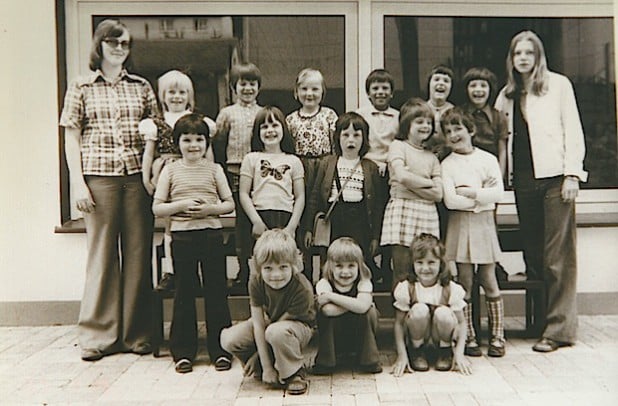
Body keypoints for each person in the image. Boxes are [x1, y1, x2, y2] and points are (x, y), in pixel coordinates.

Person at [59, 19, 158, 361]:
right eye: (113, 43)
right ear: (99, 46)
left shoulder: (142, 86)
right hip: (98, 179)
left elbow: (154, 136)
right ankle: (98, 336)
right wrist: (78, 184)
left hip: (135, 179)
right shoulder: (81, 86)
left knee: (136, 254)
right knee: (101, 255)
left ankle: (137, 334)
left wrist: (153, 180)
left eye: (125, 44)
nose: (119, 49)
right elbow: (71, 137)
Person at [494, 30, 587, 353]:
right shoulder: (505, 95)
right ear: (511, 58)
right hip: (523, 182)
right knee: (533, 255)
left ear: (538, 56)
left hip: (554, 179)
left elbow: (572, 130)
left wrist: (572, 174)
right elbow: (500, 142)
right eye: (517, 52)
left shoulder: (558, 86)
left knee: (556, 257)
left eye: (528, 53)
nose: (522, 58)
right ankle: (540, 321)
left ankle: (559, 329)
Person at [152, 113, 235, 374]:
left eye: (199, 139)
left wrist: (209, 210)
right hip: (182, 238)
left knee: (215, 291)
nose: (193, 145)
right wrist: (182, 206)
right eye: (187, 140)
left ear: (206, 142)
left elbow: (229, 204)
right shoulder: (171, 170)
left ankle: (220, 349)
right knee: (184, 293)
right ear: (178, 142)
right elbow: (157, 208)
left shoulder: (215, 169)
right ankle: (184, 352)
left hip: (210, 236)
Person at [139, 70, 217, 292]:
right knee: (172, 224)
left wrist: (210, 174)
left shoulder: (200, 121)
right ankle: (173, 271)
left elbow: (207, 151)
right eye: (171, 92)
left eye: (182, 92)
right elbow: (148, 152)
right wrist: (146, 176)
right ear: (163, 95)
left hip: (194, 172)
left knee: (194, 218)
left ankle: (196, 271)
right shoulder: (156, 123)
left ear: (189, 95)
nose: (176, 97)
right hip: (167, 171)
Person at [440, 107, 506, 358]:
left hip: (484, 225)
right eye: (448, 131)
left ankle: (497, 337)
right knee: (465, 282)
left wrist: (473, 193)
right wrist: (482, 198)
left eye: (458, 128)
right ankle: (468, 336)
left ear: (471, 130)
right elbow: (451, 202)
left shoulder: (487, 159)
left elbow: (498, 194)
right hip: (460, 224)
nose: (454, 134)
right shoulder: (447, 164)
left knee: (489, 280)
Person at [220, 229, 315, 395]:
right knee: (228, 338)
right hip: (270, 324)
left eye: (283, 267)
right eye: (268, 268)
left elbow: (276, 327)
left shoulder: (302, 288)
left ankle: (294, 373)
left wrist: (257, 356)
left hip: (298, 328)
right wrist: (266, 366)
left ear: (294, 265)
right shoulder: (256, 281)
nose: (276, 275)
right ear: (258, 267)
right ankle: (267, 368)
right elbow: (258, 324)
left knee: (275, 332)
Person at [304, 112, 381, 280]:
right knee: (332, 261)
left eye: (356, 135)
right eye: (345, 135)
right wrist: (309, 228)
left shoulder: (370, 167)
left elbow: (377, 207)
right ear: (337, 137)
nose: (350, 140)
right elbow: (315, 198)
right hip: (334, 218)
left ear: (364, 139)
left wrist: (375, 236)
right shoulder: (328, 163)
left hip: (359, 220)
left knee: (357, 260)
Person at [381, 98, 443, 286]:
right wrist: (427, 184)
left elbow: (439, 194)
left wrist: (410, 186)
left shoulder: (432, 157)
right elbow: (402, 177)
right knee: (401, 271)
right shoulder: (398, 146)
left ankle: (422, 312)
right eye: (419, 121)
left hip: (426, 214)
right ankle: (401, 314)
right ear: (407, 124)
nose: (425, 126)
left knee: (425, 270)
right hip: (402, 212)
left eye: (428, 122)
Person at [212, 62, 263, 290]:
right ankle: (243, 268)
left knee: (256, 219)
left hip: (258, 174)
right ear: (234, 87)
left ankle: (259, 269)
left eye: (252, 84)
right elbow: (219, 144)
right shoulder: (226, 114)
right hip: (234, 170)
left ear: (258, 87)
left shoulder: (262, 113)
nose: (248, 88)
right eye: (243, 84)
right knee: (241, 222)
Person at [392, 234, 471, 376]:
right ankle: (417, 352)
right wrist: (401, 355)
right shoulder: (407, 288)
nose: (425, 268)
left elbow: (462, 323)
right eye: (419, 262)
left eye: (431, 262)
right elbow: (398, 324)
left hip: (439, 337)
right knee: (419, 310)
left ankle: (445, 352)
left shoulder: (450, 288)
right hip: (417, 336)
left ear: (441, 263)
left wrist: (460, 354)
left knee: (443, 313)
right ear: (412, 263)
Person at [286, 68, 338, 280]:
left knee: (322, 213)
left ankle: (326, 269)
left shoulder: (329, 115)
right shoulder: (290, 119)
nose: (310, 93)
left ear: (322, 92)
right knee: (303, 211)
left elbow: (335, 144)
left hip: (324, 166)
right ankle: (304, 269)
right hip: (301, 167)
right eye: (304, 88)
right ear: (296, 92)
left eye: (315, 89)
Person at [461, 66, 509, 281]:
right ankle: (469, 266)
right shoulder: (461, 114)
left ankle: (491, 265)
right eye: (473, 85)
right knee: (468, 220)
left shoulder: (498, 117)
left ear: (491, 89)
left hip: (489, 177)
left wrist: (498, 178)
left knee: (489, 220)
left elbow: (502, 147)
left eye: (483, 85)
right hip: (466, 174)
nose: (478, 90)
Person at [238, 106, 305, 263]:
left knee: (284, 260)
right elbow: (243, 193)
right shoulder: (251, 159)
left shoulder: (293, 160)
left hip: (285, 217)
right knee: (262, 260)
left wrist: (292, 227)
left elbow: (300, 196)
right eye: (264, 127)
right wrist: (256, 221)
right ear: (257, 132)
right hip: (259, 215)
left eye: (275, 125)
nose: (270, 130)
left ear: (283, 129)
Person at [356, 69, 400, 288]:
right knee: (368, 216)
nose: (380, 92)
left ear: (391, 93)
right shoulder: (361, 114)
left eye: (385, 88)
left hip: (392, 171)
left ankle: (387, 265)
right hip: (367, 170)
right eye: (375, 88)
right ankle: (369, 262)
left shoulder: (399, 116)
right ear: (368, 92)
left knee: (387, 217)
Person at [312, 237, 382, 375]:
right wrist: (355, 304)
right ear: (330, 266)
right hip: (335, 337)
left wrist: (331, 297)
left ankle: (368, 359)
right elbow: (328, 311)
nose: (345, 272)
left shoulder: (364, 282)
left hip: (358, 334)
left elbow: (363, 308)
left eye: (351, 266)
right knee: (324, 315)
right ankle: (327, 361)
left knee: (370, 312)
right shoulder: (324, 283)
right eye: (339, 266)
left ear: (359, 266)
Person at [424, 64, 455, 161]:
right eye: (436, 79)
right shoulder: (419, 109)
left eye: (446, 81)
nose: (441, 83)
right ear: (429, 84)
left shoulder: (455, 111)